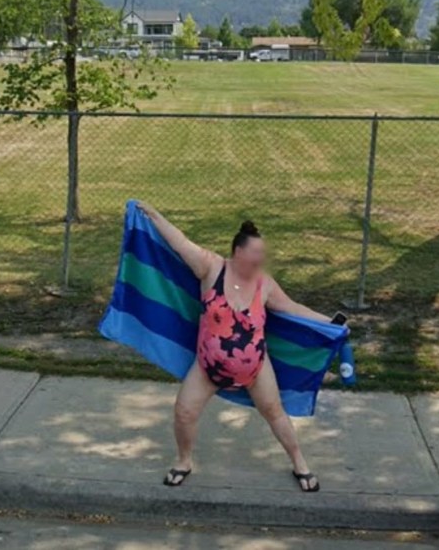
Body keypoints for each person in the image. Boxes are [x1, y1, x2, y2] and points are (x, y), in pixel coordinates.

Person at [137, 202, 333, 493]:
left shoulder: (265, 283)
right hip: (207, 368)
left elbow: (292, 308)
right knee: (184, 412)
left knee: (275, 413)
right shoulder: (210, 267)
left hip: (255, 368)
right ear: (238, 253)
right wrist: (154, 216)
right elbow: (180, 242)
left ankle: (300, 463)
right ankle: (184, 461)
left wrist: (332, 324)